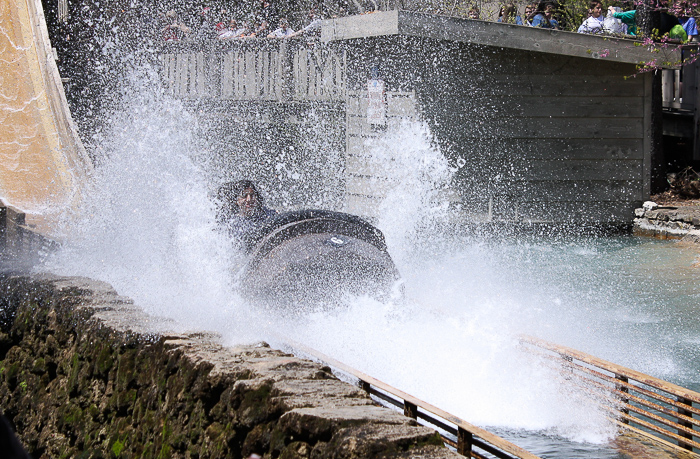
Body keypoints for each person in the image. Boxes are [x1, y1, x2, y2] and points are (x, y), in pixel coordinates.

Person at [216, 180, 277, 244]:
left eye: (252, 195)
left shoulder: (267, 214)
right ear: (236, 200)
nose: (249, 199)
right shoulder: (231, 224)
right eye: (244, 195)